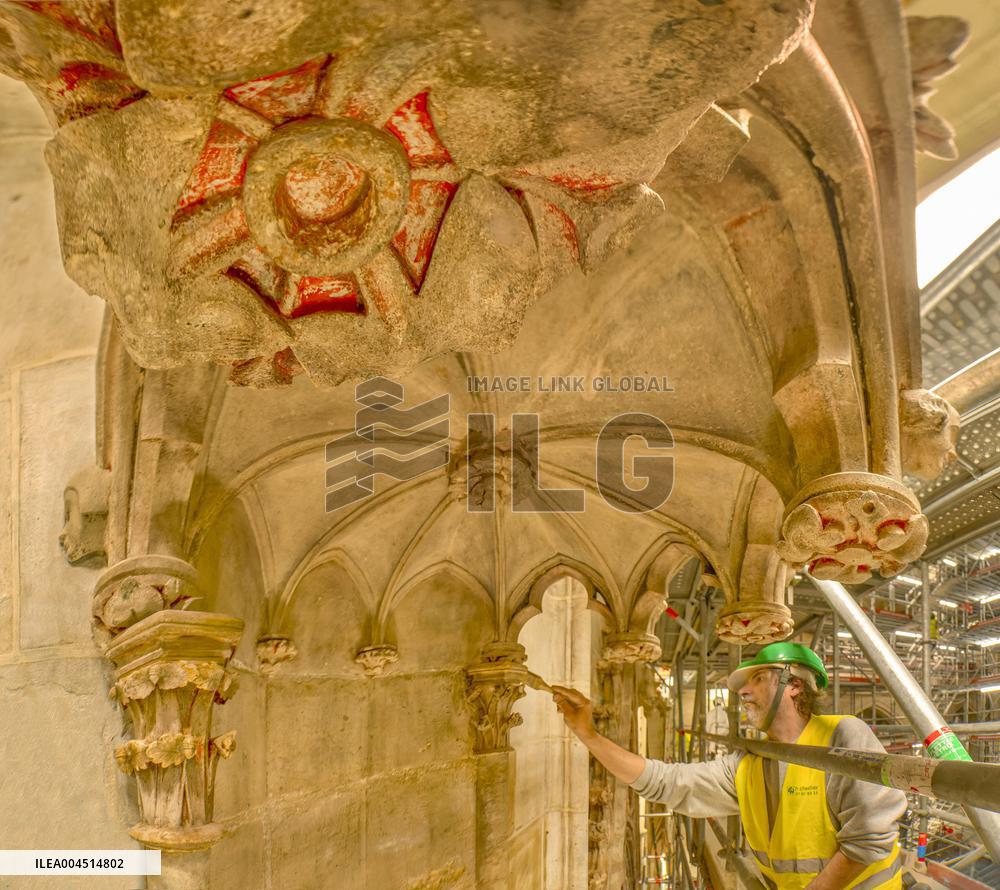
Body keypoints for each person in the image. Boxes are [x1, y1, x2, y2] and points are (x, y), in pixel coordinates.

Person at [552, 642, 906, 889]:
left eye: (757, 679)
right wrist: (588, 734)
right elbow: (664, 781)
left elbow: (867, 841)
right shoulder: (748, 766)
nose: (743, 691)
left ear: (794, 685)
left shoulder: (844, 734)